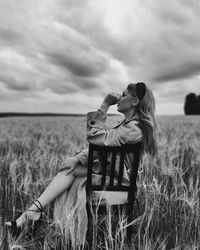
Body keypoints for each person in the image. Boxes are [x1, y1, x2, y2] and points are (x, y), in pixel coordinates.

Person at [6, 82, 157, 246]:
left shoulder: (134, 129)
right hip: (110, 176)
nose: (119, 98)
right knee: (70, 171)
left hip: (117, 183)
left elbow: (96, 139)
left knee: (71, 177)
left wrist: (105, 105)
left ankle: (46, 224)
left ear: (135, 102)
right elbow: (104, 149)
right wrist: (79, 160)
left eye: (124, 94)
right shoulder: (127, 125)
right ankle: (34, 216)